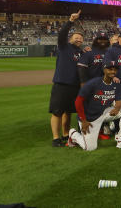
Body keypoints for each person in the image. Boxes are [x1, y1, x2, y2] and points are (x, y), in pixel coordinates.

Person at [67, 61, 121, 151]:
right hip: (89, 118)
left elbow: (118, 101)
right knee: (90, 148)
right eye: (110, 69)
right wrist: (83, 120)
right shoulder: (93, 83)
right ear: (104, 70)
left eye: (115, 69)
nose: (113, 71)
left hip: (103, 113)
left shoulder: (116, 84)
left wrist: (117, 108)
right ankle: (73, 133)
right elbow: (78, 102)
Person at [49, 10, 83, 147]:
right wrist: (70, 21)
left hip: (74, 86)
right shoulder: (64, 46)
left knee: (68, 112)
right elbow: (62, 33)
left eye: (81, 38)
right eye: (76, 37)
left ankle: (65, 134)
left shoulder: (81, 52)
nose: (78, 39)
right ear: (70, 39)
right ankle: (56, 138)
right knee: (57, 112)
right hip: (61, 85)